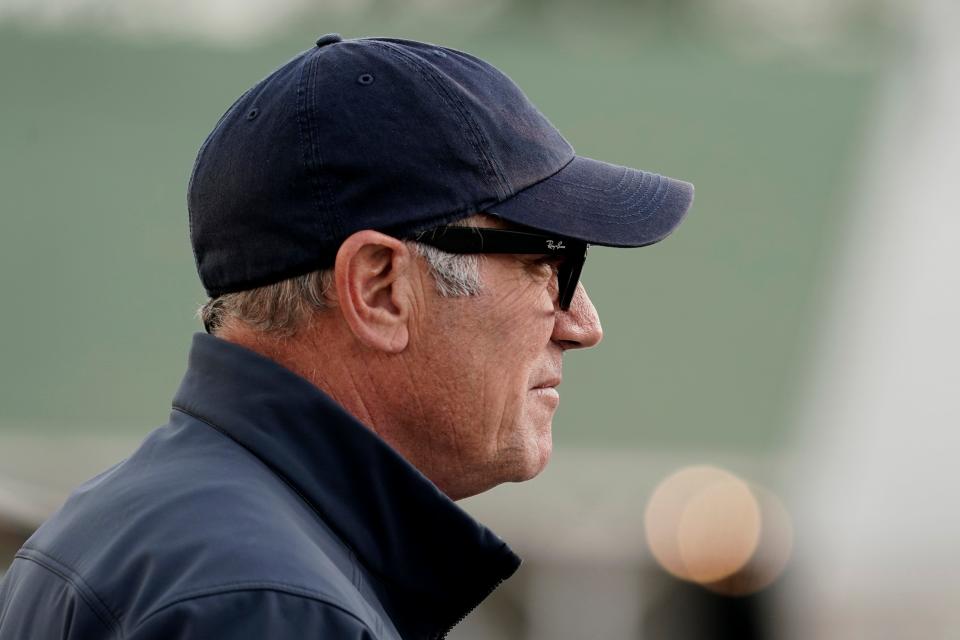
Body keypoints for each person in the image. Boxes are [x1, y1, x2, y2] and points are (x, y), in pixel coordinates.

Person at [0, 34, 693, 638]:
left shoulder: (149, 529)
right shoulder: (269, 604)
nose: (583, 326)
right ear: (380, 289)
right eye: (548, 264)